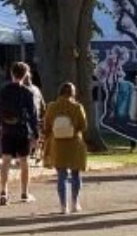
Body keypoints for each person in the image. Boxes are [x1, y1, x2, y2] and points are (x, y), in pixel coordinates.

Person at [0, 62, 39, 205]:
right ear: (25, 75)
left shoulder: (4, 90)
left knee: (5, 161)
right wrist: (36, 134)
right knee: (24, 162)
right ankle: (25, 193)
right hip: (22, 129)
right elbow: (33, 115)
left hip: (7, 129)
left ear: (12, 73)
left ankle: (3, 191)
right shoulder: (27, 92)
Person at [42, 81, 87, 214]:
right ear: (72, 93)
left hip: (57, 145)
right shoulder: (77, 107)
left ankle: (63, 206)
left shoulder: (51, 107)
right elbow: (84, 126)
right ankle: (74, 203)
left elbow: (46, 126)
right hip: (74, 144)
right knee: (75, 174)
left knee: (61, 175)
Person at [22, 72, 45, 165]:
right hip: (36, 116)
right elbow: (43, 104)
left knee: (27, 137)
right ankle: (38, 154)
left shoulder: (22, 90)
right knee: (35, 136)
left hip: (25, 117)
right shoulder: (36, 89)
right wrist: (42, 114)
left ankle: (25, 157)